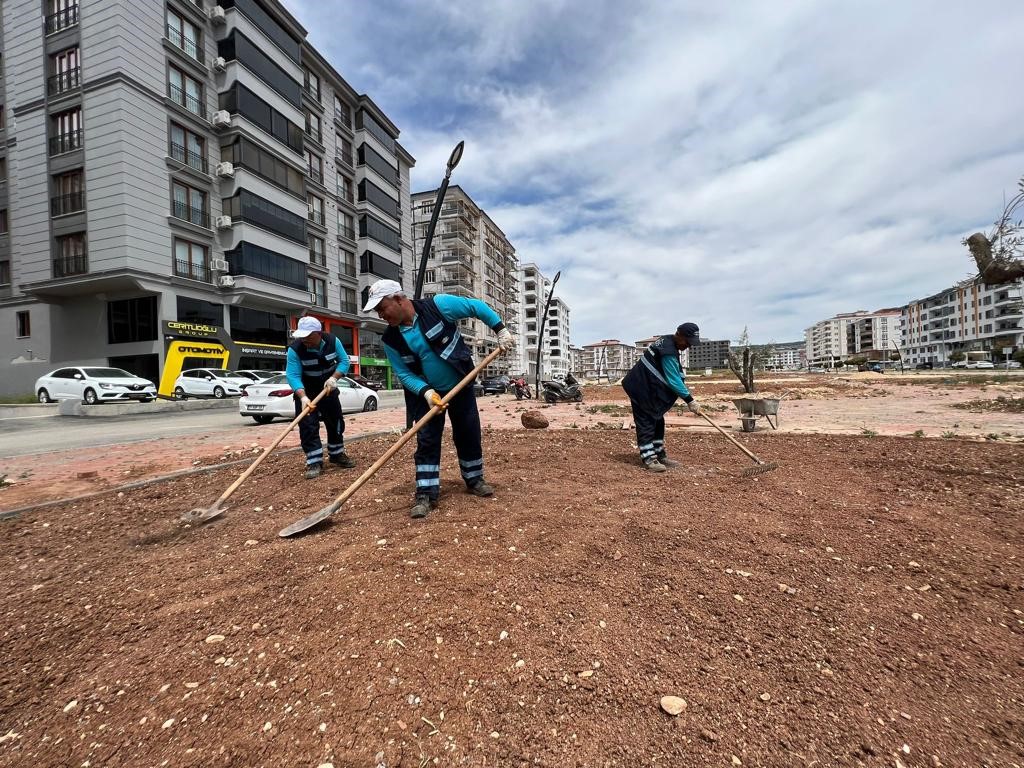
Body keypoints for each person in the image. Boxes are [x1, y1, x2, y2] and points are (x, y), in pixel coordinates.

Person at [363, 279, 516, 519]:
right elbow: (404, 374)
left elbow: (476, 307)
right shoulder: (390, 340)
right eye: (378, 311)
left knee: (468, 432)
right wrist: (426, 392)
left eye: (382, 308)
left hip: (460, 384)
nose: (381, 315)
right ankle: (425, 493)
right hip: (426, 396)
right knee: (426, 440)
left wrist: (500, 329)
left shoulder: (438, 306)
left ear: (399, 299)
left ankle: (474, 479)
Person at [621, 322, 702, 472]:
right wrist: (690, 400)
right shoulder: (668, 351)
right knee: (646, 421)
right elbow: (673, 379)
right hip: (641, 389)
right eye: (687, 342)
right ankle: (649, 458)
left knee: (658, 419)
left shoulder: (669, 342)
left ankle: (659, 454)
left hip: (646, 387)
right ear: (679, 335)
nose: (688, 346)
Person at [285, 316, 357, 479]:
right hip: (306, 392)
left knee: (336, 421)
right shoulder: (295, 350)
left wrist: (334, 378)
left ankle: (337, 454)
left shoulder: (333, 341)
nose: (305, 340)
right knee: (308, 426)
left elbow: (344, 361)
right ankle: (314, 460)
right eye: (302, 336)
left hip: (328, 390)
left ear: (318, 333)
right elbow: (293, 375)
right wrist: (303, 397)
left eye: (308, 336)